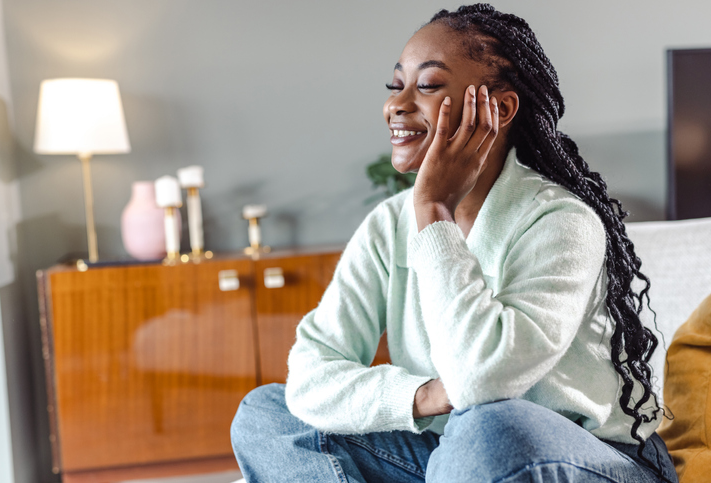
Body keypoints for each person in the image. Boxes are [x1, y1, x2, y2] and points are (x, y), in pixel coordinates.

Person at [230, 4, 678, 482]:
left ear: (499, 109)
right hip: (453, 450)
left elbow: (480, 380)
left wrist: (433, 211)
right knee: (268, 414)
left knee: (489, 424)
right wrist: (424, 396)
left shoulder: (560, 222)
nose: (396, 104)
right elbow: (311, 372)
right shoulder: (388, 225)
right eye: (395, 84)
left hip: (588, 457)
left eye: (427, 85)